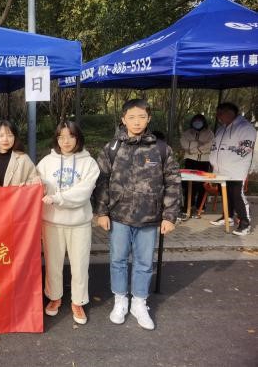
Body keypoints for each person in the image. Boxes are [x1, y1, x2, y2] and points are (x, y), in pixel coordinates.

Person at [94, 99, 181, 330]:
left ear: (149, 118)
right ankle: (120, 300)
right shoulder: (112, 148)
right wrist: (101, 212)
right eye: (131, 117)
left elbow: (173, 182)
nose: (137, 122)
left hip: (149, 218)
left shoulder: (161, 149)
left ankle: (139, 303)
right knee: (118, 260)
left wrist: (169, 216)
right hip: (119, 216)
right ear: (123, 119)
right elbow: (101, 181)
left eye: (142, 117)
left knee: (144, 262)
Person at [36, 121, 99, 325]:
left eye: (70, 136)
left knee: (80, 265)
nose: (66, 141)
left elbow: (83, 192)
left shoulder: (89, 163)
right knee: (52, 263)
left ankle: (78, 301)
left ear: (78, 138)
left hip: (79, 222)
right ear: (56, 139)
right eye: (61, 137)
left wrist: (57, 198)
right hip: (52, 221)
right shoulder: (46, 162)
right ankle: (54, 296)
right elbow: (37, 184)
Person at [209, 103, 256, 236]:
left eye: (220, 113)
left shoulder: (245, 128)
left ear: (230, 112)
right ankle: (227, 217)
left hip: (235, 170)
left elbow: (245, 149)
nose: (218, 117)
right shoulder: (221, 129)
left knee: (237, 196)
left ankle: (245, 223)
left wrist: (227, 159)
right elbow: (215, 147)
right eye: (217, 114)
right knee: (225, 194)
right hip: (220, 170)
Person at [0, 120, 39, 187]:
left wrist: (29, 183)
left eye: (10, 135)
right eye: (1, 136)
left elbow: (35, 181)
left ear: (14, 138)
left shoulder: (24, 159)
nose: (5, 139)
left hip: (18, 194)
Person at [180, 114, 214, 219]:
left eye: (200, 120)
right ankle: (188, 206)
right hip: (190, 161)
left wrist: (193, 147)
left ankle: (200, 206)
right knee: (189, 184)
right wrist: (200, 145)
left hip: (204, 161)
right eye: (196, 120)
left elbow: (210, 146)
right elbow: (185, 145)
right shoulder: (187, 133)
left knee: (202, 185)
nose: (197, 122)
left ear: (204, 122)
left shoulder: (209, 133)